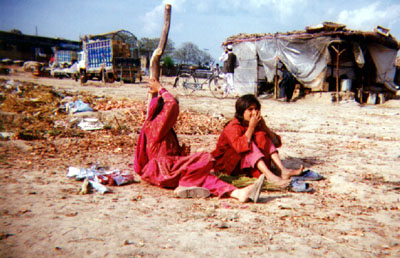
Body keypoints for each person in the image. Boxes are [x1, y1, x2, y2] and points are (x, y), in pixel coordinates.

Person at [134, 79, 265, 203]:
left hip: (167, 171)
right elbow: (171, 104)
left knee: (205, 177)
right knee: (205, 158)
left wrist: (181, 154)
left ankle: (237, 193)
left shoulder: (164, 130)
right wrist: (160, 88)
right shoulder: (154, 126)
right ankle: (185, 184)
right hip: (162, 172)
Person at [211, 94, 303, 188]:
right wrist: (251, 127)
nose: (254, 112)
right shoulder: (233, 127)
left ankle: (282, 169)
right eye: (250, 109)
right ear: (241, 111)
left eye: (256, 109)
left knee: (263, 136)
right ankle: (270, 176)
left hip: (246, 164)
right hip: (228, 166)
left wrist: (265, 127)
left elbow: (276, 143)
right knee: (248, 144)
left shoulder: (254, 124)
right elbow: (240, 147)